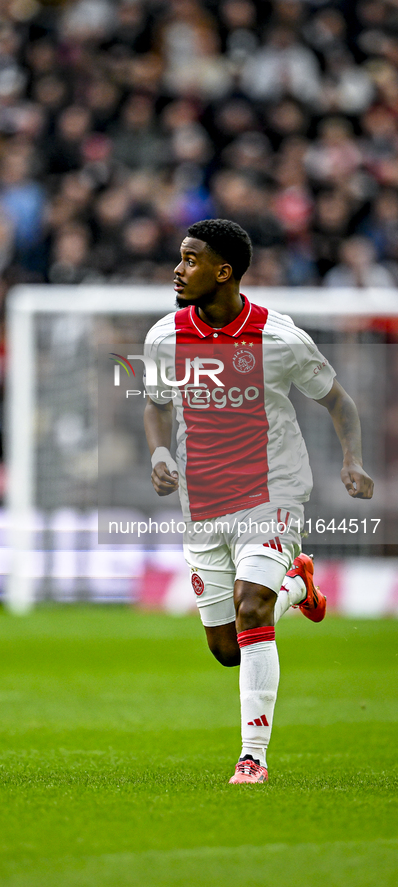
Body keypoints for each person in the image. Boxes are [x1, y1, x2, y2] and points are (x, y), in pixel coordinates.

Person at [143, 218, 374, 784]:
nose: (178, 268)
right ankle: (299, 582)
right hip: (202, 502)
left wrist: (351, 460)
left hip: (272, 489)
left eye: (191, 259)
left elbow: (340, 402)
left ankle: (253, 757)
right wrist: (157, 453)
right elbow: (155, 403)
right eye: (180, 256)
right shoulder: (162, 338)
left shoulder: (280, 339)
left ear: (224, 272)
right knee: (227, 647)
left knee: (253, 609)